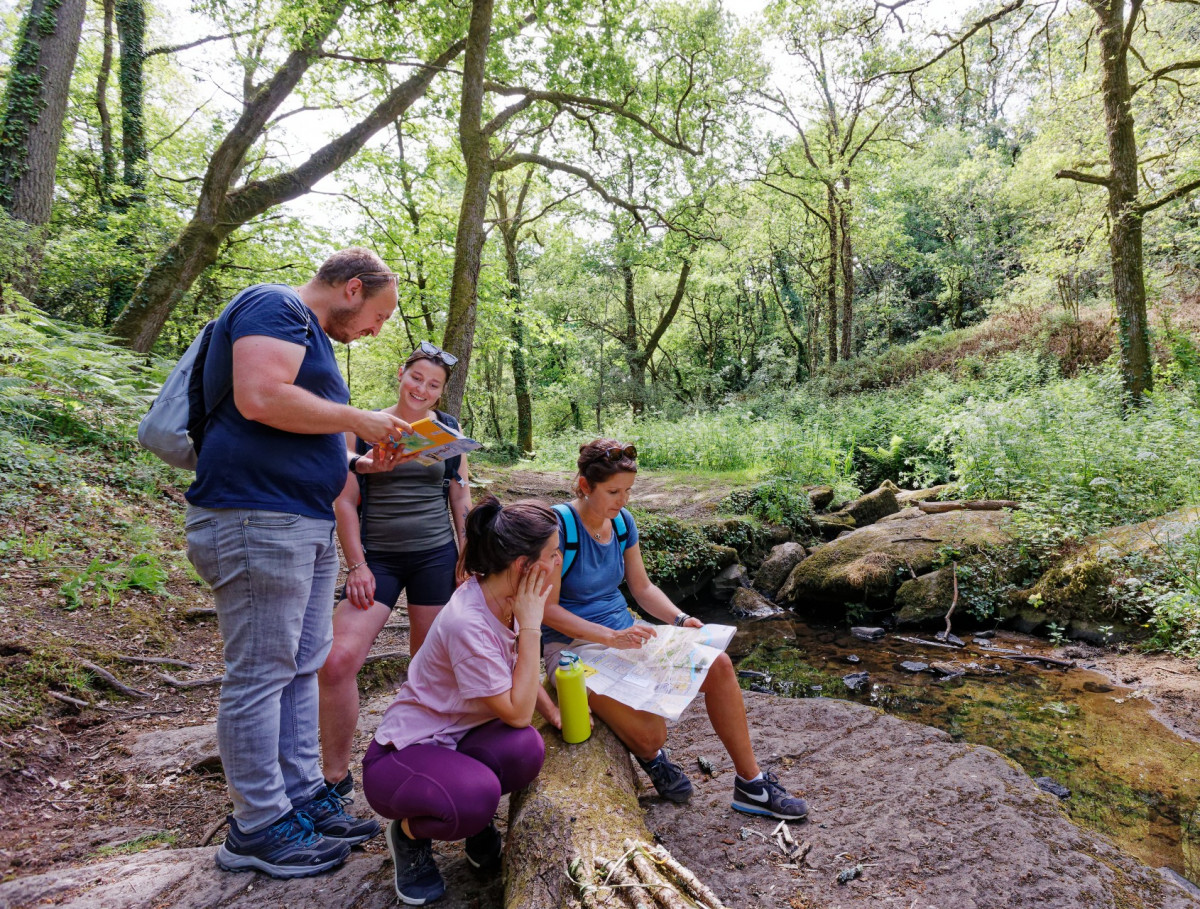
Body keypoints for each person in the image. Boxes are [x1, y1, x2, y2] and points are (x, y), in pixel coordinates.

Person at [185, 247, 411, 879]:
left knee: (302, 663)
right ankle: (256, 824)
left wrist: (361, 463)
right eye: (379, 315)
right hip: (255, 517)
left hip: (301, 520)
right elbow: (259, 396)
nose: (376, 330)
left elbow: (299, 432)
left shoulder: (313, 338)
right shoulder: (273, 304)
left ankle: (303, 794)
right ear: (353, 288)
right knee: (262, 671)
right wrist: (358, 417)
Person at [542, 439, 809, 821]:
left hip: (628, 636)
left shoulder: (622, 523)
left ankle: (751, 784)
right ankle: (653, 758)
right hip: (574, 651)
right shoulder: (558, 527)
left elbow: (642, 588)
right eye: (614, 492)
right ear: (585, 486)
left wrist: (680, 620)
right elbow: (546, 611)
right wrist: (608, 638)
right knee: (653, 736)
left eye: (629, 491)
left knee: (718, 665)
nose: (623, 501)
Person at [362, 496, 559, 905]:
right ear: (523, 566)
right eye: (553, 555)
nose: (558, 563)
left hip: (460, 736)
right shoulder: (469, 622)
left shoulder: (504, 598)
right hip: (400, 756)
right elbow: (518, 712)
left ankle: (469, 813)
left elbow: (514, 672)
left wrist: (553, 712)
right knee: (476, 796)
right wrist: (534, 628)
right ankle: (409, 835)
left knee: (525, 752)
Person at [318, 341, 470, 799]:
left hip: (436, 556)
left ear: (441, 393)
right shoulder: (364, 427)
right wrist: (356, 565)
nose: (422, 388)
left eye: (433, 384)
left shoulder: (448, 430)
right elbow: (344, 500)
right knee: (336, 660)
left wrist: (470, 555)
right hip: (377, 559)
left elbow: (460, 496)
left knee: (428, 666)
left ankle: (422, 757)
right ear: (401, 374)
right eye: (416, 377)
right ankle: (334, 778)